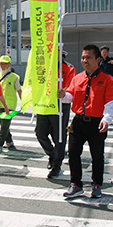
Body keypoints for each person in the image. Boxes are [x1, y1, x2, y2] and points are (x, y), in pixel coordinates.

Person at [60, 44, 113, 199]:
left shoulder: (107, 80)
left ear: (98, 59)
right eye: (83, 57)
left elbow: (110, 103)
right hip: (78, 121)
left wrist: (106, 120)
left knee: (97, 156)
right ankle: (76, 184)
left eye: (88, 57)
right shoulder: (77, 78)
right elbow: (70, 97)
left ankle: (97, 184)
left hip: (96, 123)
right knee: (73, 153)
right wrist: (62, 95)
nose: (84, 60)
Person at [35, 50, 76, 179]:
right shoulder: (43, 66)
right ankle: (52, 154)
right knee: (40, 133)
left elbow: (70, 87)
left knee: (59, 135)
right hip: (45, 104)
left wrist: (62, 93)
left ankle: (56, 165)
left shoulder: (68, 68)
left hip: (60, 105)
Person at [0, 55, 22, 154]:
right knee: (4, 125)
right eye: (1, 63)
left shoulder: (14, 77)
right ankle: (9, 142)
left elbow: (19, 90)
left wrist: (23, 102)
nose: (3, 65)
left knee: (4, 126)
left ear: (9, 64)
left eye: (5, 63)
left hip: (9, 106)